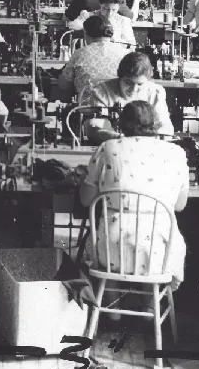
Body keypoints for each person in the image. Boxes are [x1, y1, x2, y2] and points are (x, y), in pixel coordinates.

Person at [80, 101, 188, 289]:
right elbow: (180, 205)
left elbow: (86, 200)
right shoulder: (176, 152)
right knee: (152, 260)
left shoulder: (108, 148)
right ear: (156, 124)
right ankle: (150, 303)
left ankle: (110, 306)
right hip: (159, 251)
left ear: (121, 124)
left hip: (111, 248)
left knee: (110, 254)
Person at [83, 52, 174, 140]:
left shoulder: (155, 92)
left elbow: (165, 127)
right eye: (128, 83)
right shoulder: (101, 92)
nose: (134, 89)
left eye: (140, 84)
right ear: (120, 77)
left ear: (147, 80)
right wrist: (122, 138)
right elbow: (94, 130)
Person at [56, 15, 129, 102]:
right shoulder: (125, 53)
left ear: (85, 33)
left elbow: (64, 85)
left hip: (87, 106)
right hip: (118, 106)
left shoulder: (79, 53)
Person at [70, 0, 136, 48]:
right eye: (106, 9)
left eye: (114, 10)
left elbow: (132, 46)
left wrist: (116, 41)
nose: (109, 14)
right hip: (91, 53)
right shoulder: (89, 16)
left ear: (119, 7)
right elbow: (72, 26)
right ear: (100, 4)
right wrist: (83, 23)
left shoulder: (123, 21)